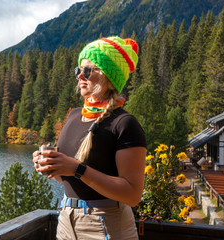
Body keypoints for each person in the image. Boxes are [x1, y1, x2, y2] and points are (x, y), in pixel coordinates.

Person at [33, 36, 147, 240]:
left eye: (87, 70)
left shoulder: (125, 123)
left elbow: (132, 194)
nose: (80, 76)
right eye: (78, 70)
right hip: (67, 220)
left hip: (106, 224)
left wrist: (77, 168)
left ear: (107, 75)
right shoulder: (74, 115)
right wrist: (53, 166)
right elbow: (70, 179)